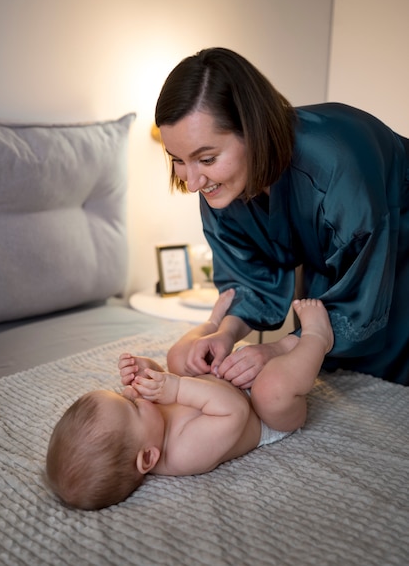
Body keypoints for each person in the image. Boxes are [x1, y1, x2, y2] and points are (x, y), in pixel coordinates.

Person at [155, 47, 409, 395]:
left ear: (252, 131)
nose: (192, 182)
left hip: (396, 248)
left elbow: (359, 301)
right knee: (328, 379)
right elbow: (249, 275)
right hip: (344, 261)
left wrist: (278, 348)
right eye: (178, 160)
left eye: (207, 158)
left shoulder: (336, 165)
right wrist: (224, 333)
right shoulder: (220, 183)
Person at [45, 295, 333, 510]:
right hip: (264, 416)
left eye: (121, 394)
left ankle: (211, 323)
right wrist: (178, 388)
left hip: (220, 382)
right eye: (131, 405)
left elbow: (166, 386)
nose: (132, 393)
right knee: (273, 390)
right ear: (148, 458)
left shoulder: (147, 432)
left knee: (178, 357)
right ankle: (317, 338)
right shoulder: (184, 454)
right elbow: (234, 410)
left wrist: (146, 370)